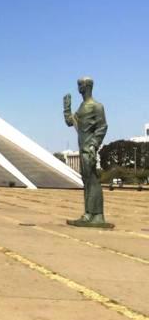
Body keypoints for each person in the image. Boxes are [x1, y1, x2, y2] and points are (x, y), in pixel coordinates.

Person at [64, 77, 109, 226]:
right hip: (83, 148)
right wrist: (66, 107)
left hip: (88, 149)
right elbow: (70, 122)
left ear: (87, 86)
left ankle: (94, 215)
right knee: (87, 181)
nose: (78, 87)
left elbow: (102, 127)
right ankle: (91, 214)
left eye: (80, 84)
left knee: (92, 181)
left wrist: (94, 145)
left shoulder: (97, 106)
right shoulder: (82, 107)